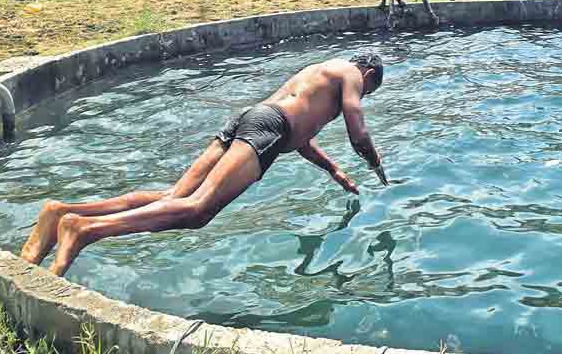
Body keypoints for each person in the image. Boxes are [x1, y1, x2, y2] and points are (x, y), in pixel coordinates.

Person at [21, 53, 390, 277]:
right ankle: (86, 230)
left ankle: (61, 212)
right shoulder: (353, 74)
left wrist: (333, 169)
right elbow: (356, 130)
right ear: (369, 76)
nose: (362, 94)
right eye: (368, 92)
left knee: (175, 197)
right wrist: (376, 165)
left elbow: (298, 134)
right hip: (268, 129)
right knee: (197, 211)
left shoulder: (317, 72)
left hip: (251, 118)